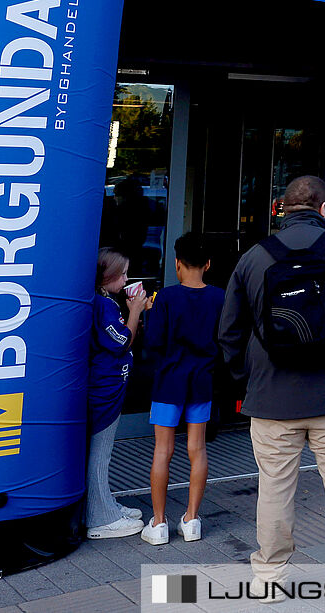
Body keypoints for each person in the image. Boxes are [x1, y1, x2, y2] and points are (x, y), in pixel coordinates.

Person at [218, 175, 325, 591]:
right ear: (323, 208)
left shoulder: (254, 258)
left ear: (282, 208)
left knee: (274, 487)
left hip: (272, 398)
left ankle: (270, 578)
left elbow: (229, 333)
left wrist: (247, 380)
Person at [141, 232, 223, 545]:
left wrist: (150, 313)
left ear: (177, 263)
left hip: (168, 381)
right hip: (201, 380)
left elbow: (153, 344)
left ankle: (159, 523)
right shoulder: (219, 296)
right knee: (197, 449)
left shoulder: (165, 298)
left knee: (163, 450)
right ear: (208, 264)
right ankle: (191, 519)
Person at [87, 248, 150, 539]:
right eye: (122, 274)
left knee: (102, 453)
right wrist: (135, 310)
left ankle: (105, 504)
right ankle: (101, 517)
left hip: (109, 388)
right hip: (104, 391)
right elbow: (121, 341)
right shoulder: (103, 305)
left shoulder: (105, 302)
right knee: (101, 454)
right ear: (107, 276)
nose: (126, 279)